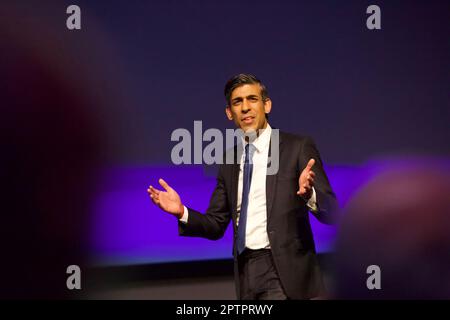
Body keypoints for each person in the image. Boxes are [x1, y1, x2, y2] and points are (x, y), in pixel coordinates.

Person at [148, 73, 338, 299]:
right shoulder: (230, 161)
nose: (245, 107)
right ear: (230, 113)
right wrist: (182, 212)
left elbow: (332, 211)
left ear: (266, 105)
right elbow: (216, 224)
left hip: (286, 273)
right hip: (246, 273)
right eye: (238, 102)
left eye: (252, 99)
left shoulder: (297, 147)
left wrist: (310, 195)